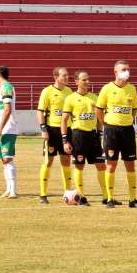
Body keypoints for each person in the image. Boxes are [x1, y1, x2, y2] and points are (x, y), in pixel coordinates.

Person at [96, 60, 137, 208]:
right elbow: (99, 109)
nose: (126, 72)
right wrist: (106, 123)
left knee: (130, 165)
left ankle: (133, 199)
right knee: (111, 164)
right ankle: (110, 198)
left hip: (128, 130)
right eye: (123, 69)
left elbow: (134, 109)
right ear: (115, 72)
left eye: (128, 69)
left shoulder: (132, 89)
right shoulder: (107, 88)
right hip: (111, 130)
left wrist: (128, 119)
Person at [61, 70, 103, 206]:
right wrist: (65, 140)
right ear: (76, 81)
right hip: (78, 135)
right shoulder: (70, 98)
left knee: (101, 165)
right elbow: (64, 120)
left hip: (93, 135)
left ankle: (107, 197)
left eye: (88, 79)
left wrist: (100, 133)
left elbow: (99, 119)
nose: (87, 82)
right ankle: (81, 197)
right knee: (79, 166)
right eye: (84, 80)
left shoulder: (94, 98)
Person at [36, 67, 72, 204]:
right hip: (51, 130)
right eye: (64, 75)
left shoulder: (69, 92)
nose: (67, 77)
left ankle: (67, 193)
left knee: (66, 160)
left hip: (66, 130)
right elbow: (40, 111)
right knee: (48, 161)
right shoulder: (47, 91)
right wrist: (43, 129)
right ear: (56, 77)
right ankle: (43, 194)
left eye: (67, 75)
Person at [0, 66, 19, 198]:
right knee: (4, 160)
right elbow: (2, 110)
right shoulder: (3, 89)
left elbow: (7, 110)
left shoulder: (6, 87)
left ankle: (13, 190)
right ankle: (8, 189)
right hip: (4, 130)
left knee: (8, 159)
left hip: (7, 129)